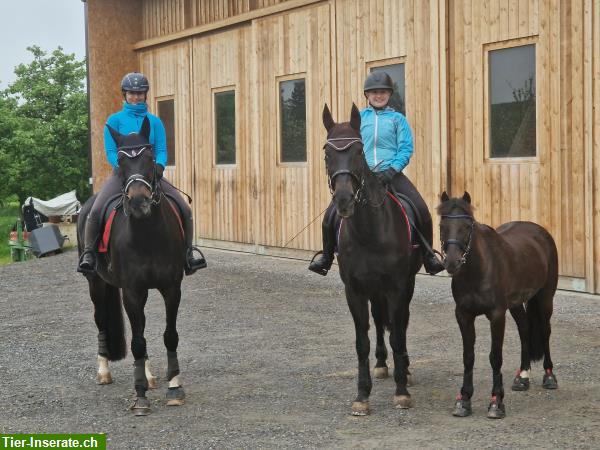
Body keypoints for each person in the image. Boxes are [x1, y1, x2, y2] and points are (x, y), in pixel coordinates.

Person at [309, 71, 445, 276]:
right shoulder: (359, 119)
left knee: (420, 208)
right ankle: (327, 256)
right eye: (374, 92)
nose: (378, 96)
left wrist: (391, 171)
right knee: (331, 214)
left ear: (389, 94)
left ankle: (429, 256)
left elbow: (406, 149)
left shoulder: (398, 120)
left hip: (391, 174)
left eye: (382, 92)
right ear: (367, 95)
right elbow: (349, 145)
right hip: (362, 177)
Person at [78, 72, 205, 276]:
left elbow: (161, 149)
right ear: (124, 94)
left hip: (150, 174)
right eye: (131, 93)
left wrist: (160, 166)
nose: (136, 97)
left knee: (184, 208)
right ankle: (90, 254)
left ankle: (188, 254)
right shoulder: (115, 120)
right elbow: (111, 152)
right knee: (96, 210)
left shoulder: (154, 122)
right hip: (123, 174)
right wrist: (124, 168)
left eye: (140, 93)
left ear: (145, 95)